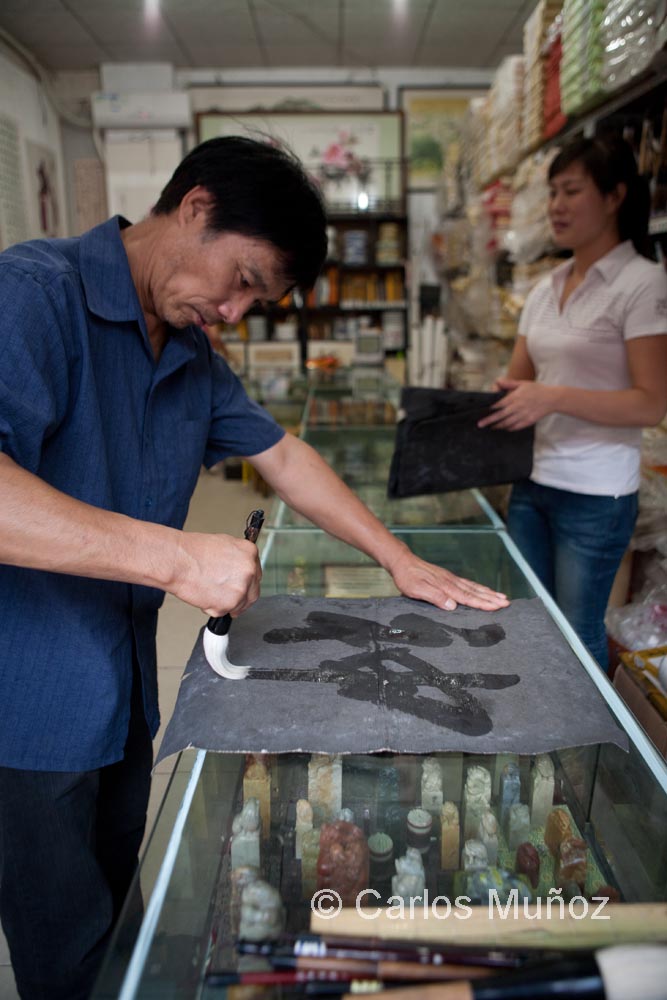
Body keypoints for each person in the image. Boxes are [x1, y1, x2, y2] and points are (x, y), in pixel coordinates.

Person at [0, 135, 507, 1000]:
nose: (236, 312)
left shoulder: (188, 351)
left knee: (119, 916)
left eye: (256, 301)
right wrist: (173, 555)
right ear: (195, 207)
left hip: (122, 688)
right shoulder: (32, 295)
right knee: (64, 948)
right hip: (27, 704)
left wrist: (397, 557)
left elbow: (283, 456)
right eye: (241, 279)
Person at [479, 135, 667, 671]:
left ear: (614, 196)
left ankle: (584, 729)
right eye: (552, 193)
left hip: (596, 495)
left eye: (571, 191)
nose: (556, 206)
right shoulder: (545, 287)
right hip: (532, 483)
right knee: (526, 620)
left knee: (577, 633)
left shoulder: (643, 283)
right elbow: (516, 384)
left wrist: (553, 397)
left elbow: (650, 404)